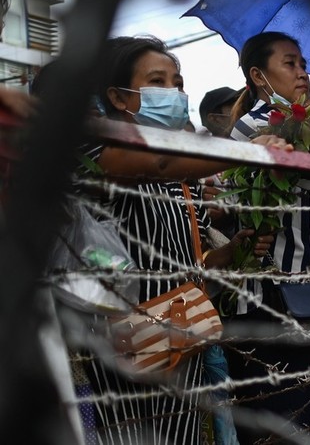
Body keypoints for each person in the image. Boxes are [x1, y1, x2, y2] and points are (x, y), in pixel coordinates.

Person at [75, 35, 276, 444]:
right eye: (157, 82)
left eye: (178, 83)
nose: (174, 93)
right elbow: (156, 163)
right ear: (118, 97)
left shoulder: (184, 182)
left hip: (181, 338)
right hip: (123, 347)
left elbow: (194, 260)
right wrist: (245, 151)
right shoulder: (98, 150)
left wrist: (232, 250)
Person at [226, 31, 310, 444]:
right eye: (290, 63)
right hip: (274, 298)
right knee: (284, 418)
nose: (303, 73)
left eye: (304, 64)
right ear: (258, 75)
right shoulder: (254, 126)